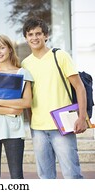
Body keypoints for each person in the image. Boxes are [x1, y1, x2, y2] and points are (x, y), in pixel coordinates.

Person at [21, 17, 87, 179]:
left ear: (46, 36)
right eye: (30, 34)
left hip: (62, 126)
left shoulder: (61, 56)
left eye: (38, 34)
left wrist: (82, 117)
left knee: (71, 174)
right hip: (38, 129)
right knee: (45, 177)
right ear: (26, 38)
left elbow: (79, 86)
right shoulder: (25, 64)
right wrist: (31, 123)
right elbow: (29, 96)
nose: (34, 38)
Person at [0, 34, 33, 179]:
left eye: (2, 47)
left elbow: (27, 102)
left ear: (10, 49)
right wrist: (12, 109)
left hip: (14, 130)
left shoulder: (23, 73)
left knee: (16, 175)